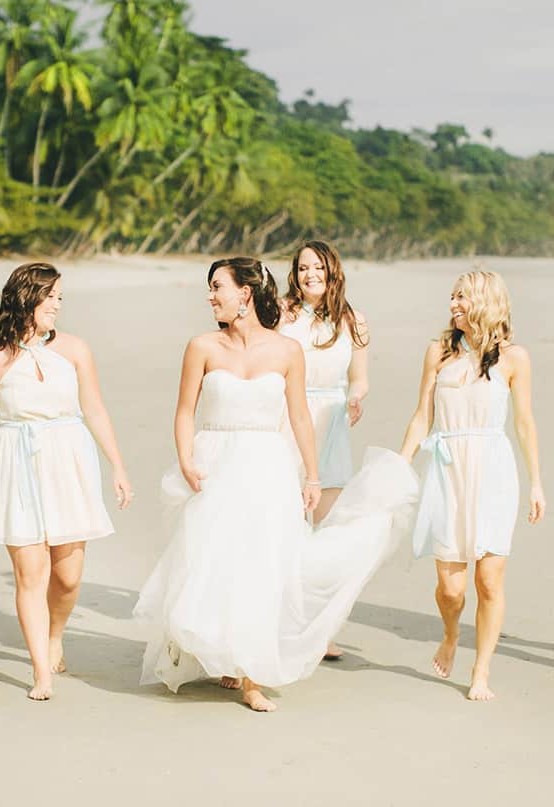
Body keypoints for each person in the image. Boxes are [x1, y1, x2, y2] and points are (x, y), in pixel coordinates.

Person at [135, 257, 417, 712]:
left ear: (245, 294)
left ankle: (251, 676)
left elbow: (300, 416)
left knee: (260, 563)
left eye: (217, 288)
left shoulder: (287, 351)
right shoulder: (202, 346)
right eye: (210, 289)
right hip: (214, 463)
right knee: (215, 560)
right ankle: (224, 657)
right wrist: (186, 459)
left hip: (266, 464)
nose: (210, 297)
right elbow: (185, 410)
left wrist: (311, 475)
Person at [0, 263, 132, 701]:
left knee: (69, 577)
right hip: (15, 464)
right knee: (31, 575)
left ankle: (55, 633)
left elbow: (94, 408)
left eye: (60, 297)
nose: (58, 304)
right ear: (27, 299)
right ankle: (41, 670)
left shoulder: (75, 349)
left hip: (69, 460)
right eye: (51, 297)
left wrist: (117, 465)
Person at [399, 270, 545, 701]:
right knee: (451, 588)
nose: (453, 305)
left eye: (461, 297)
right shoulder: (438, 352)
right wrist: (402, 463)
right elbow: (422, 414)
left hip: (493, 472)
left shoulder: (514, 358)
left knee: (489, 583)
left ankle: (481, 670)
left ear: (485, 301)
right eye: (452, 297)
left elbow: (524, 423)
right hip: (447, 470)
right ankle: (450, 634)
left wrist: (537, 482)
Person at [278, 240, 370, 660]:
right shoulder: (282, 313)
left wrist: (355, 398)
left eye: (317, 267)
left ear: (332, 271)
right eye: (302, 268)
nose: (309, 274)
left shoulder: (353, 321)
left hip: (330, 421)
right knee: (285, 522)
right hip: (287, 418)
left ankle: (321, 627)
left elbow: (360, 378)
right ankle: (279, 619)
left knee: (325, 530)